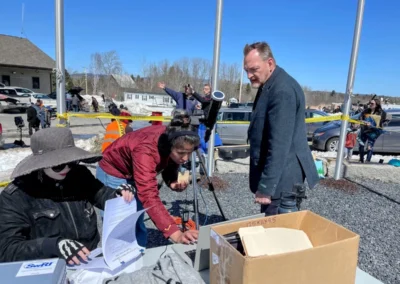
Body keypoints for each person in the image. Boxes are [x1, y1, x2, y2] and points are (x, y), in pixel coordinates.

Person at [0, 128, 135, 264]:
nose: (67, 169)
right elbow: (6, 249)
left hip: (90, 260)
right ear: (41, 165)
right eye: (58, 165)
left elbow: (99, 193)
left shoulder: (78, 175)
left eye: (71, 162)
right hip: (48, 268)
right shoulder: (17, 195)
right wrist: (53, 246)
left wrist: (118, 195)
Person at [96, 112, 200, 246]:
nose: (186, 158)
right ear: (169, 145)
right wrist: (176, 233)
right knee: (118, 223)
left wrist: (172, 180)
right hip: (114, 171)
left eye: (189, 152)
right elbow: (148, 194)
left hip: (135, 170)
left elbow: (170, 160)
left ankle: (138, 254)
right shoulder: (145, 150)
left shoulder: (175, 136)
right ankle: (116, 257)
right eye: (181, 153)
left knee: (137, 216)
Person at [243, 41, 319, 215]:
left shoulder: (282, 90)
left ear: (270, 63)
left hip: (282, 182)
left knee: (277, 235)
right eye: (246, 70)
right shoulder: (270, 84)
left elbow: (279, 144)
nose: (249, 75)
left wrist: (266, 187)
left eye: (253, 69)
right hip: (279, 179)